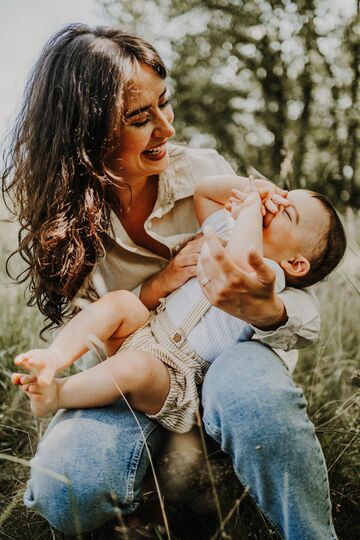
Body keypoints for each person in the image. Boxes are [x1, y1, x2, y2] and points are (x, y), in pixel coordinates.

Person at [2, 23, 338, 539]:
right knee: (65, 491)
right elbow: (103, 327)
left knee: (249, 391)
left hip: (227, 362)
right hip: (143, 363)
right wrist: (155, 289)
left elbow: (279, 288)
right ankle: (149, 460)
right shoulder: (64, 221)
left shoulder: (199, 169)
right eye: (141, 117)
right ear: (87, 131)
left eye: (166, 102)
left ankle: (295, 518)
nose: (167, 128)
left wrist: (268, 303)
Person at [12, 178, 346, 436]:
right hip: (149, 328)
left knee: (135, 367)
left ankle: (57, 394)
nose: (276, 204)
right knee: (121, 302)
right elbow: (204, 192)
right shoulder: (229, 234)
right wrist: (257, 189)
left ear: (296, 264)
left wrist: (248, 214)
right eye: (283, 195)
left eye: (287, 210)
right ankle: (53, 358)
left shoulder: (269, 277)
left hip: (177, 377)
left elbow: (242, 262)